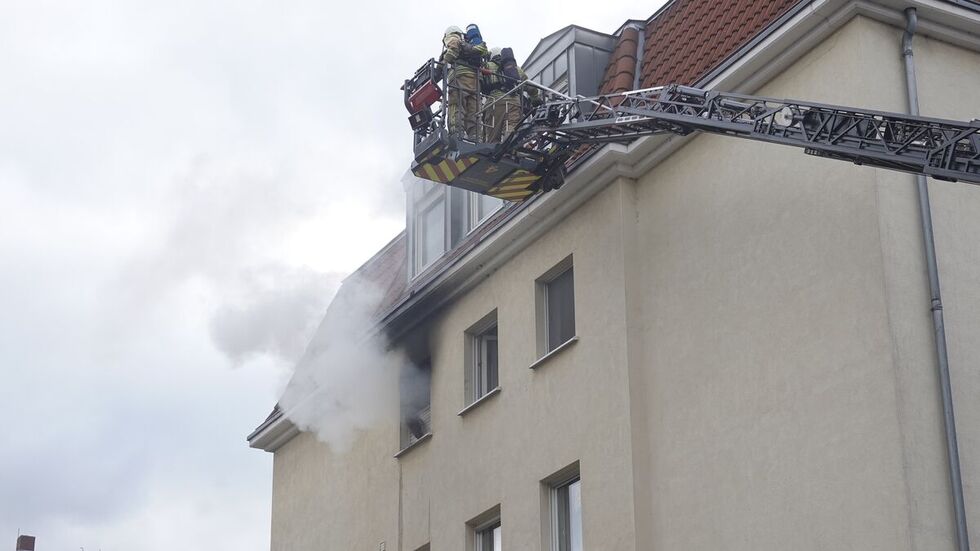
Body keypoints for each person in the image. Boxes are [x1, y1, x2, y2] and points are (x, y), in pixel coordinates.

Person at [440, 25, 488, 140]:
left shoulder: (452, 37)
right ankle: (476, 136)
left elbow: (452, 51)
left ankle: (456, 133)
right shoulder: (470, 45)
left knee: (456, 105)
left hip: (459, 77)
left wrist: (441, 65)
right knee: (474, 110)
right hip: (475, 80)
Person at [482, 47, 539, 142]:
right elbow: (531, 87)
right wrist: (535, 99)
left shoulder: (487, 66)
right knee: (511, 126)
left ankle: (494, 152)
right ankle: (509, 145)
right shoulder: (516, 69)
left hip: (494, 102)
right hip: (513, 102)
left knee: (493, 134)